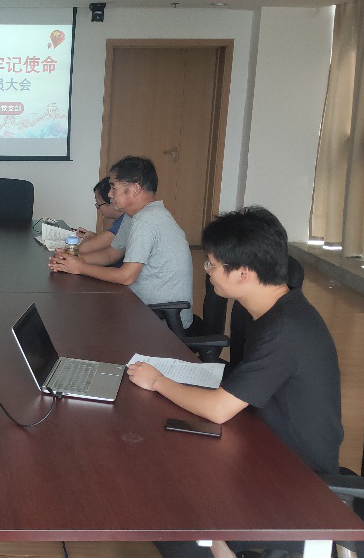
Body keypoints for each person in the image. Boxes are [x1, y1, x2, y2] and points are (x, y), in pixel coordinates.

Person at [128, 206, 343, 558]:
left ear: (243, 273)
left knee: (170, 521)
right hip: (264, 442)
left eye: (211, 264)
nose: (207, 271)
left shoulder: (284, 330)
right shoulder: (271, 310)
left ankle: (218, 543)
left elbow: (218, 409)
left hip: (296, 478)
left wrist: (158, 381)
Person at [49, 156, 193, 328]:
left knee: (79, 319)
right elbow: (111, 254)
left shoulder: (147, 220)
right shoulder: (134, 216)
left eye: (113, 187)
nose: (109, 194)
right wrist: (74, 260)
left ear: (135, 189)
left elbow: (126, 276)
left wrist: (80, 268)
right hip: (140, 307)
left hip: (160, 320)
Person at [75, 177, 125, 256]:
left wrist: (89, 237)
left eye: (98, 204)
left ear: (111, 202)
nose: (98, 208)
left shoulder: (123, 224)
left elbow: (83, 248)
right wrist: (94, 237)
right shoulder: (121, 220)